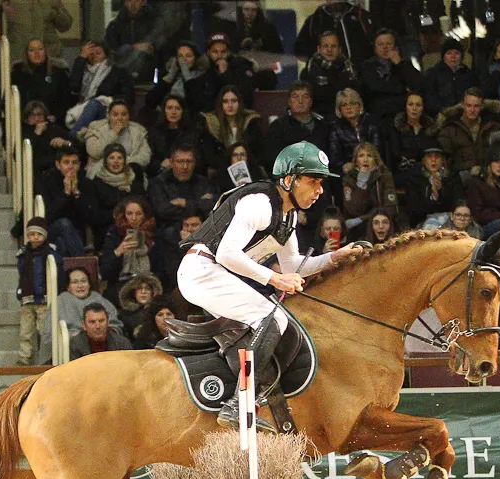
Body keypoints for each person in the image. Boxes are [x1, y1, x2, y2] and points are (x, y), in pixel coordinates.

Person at [176, 141, 364, 424]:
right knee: (273, 318)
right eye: (313, 181)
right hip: (202, 270)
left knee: (267, 325)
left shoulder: (286, 215)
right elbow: (227, 254)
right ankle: (239, 403)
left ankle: (248, 398)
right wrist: (275, 278)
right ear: (288, 180)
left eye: (321, 182)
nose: (320, 190)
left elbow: (294, 266)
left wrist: (335, 257)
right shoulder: (260, 204)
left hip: (215, 273)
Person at [39, 267, 122, 363]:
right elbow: (49, 336)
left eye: (84, 281)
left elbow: (116, 327)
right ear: (68, 286)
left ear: (89, 284)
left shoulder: (101, 301)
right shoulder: (59, 303)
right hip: (70, 354)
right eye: (75, 282)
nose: (80, 285)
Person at [148, 145, 217, 249]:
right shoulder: (158, 183)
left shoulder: (204, 182)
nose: (185, 166)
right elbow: (161, 211)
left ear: (195, 163)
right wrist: (198, 204)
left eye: (189, 162)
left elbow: (212, 207)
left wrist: (184, 203)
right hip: (169, 237)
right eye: (180, 161)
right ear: (171, 162)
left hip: (201, 233)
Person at [436, 89, 500, 181]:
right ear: (462, 105)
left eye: (476, 106)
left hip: (489, 178)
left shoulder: (493, 128)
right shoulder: (450, 129)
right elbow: (445, 163)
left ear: (482, 106)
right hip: (460, 180)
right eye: (468, 105)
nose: (472, 110)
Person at [65, 40, 136, 132]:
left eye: (98, 52)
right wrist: (81, 59)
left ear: (106, 54)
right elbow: (73, 86)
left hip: (107, 109)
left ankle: (72, 138)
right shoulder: (82, 70)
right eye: (91, 53)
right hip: (81, 108)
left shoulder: (117, 71)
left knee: (94, 104)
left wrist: (108, 100)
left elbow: (128, 95)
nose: (94, 54)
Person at [35, 146, 93, 256]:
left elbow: (88, 216)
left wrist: (76, 192)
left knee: (61, 244)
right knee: (64, 223)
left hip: (75, 232)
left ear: (79, 165)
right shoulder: (46, 182)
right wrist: (65, 193)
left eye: (74, 163)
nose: (71, 167)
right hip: (51, 229)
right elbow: (49, 215)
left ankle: (72, 271)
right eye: (66, 162)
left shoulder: (86, 183)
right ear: (58, 165)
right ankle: (82, 264)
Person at [358, 29, 423, 124]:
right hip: (377, 115)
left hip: (401, 114)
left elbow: (418, 84)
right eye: (380, 44)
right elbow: (373, 87)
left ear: (396, 47)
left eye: (389, 43)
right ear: (375, 48)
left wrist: (400, 63)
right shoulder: (367, 66)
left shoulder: (404, 65)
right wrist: (398, 89)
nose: (385, 47)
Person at [100, 195, 159, 299]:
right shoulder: (113, 234)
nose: (134, 218)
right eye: (129, 213)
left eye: (138, 214)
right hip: (122, 283)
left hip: (150, 282)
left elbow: (161, 267)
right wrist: (118, 251)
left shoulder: (155, 233)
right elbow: (106, 273)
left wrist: (149, 248)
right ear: (123, 215)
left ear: (145, 215)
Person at [14, 217, 55, 366]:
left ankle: (47, 357)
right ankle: (24, 358)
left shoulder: (50, 254)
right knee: (25, 331)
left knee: (44, 331)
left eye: (39, 234)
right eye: (32, 234)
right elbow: (22, 274)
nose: (35, 237)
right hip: (27, 298)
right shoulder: (23, 254)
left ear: (45, 235)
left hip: (43, 298)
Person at [260, 83, 327, 174]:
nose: (300, 101)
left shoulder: (322, 125)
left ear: (311, 101)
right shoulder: (278, 126)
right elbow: (271, 158)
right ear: (289, 102)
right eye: (295, 96)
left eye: (305, 96)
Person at [340, 142, 398, 240]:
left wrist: (364, 218)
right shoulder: (349, 179)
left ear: (375, 159)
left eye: (369, 156)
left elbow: (390, 208)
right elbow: (354, 210)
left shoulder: (384, 175)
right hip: (357, 224)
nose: (365, 160)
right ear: (356, 160)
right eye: (361, 156)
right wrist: (361, 181)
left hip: (381, 219)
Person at [87, 142, 144, 240]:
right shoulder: (96, 184)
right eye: (112, 158)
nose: (116, 161)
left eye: (120, 158)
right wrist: (118, 215)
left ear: (124, 161)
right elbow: (94, 217)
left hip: (134, 228)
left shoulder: (134, 182)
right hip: (107, 231)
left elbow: (145, 208)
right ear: (106, 161)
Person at [82, 100, 150, 178]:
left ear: (128, 116)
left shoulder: (138, 131)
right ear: (108, 116)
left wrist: (122, 162)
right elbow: (94, 153)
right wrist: (113, 133)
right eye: (115, 114)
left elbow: (145, 157)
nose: (120, 118)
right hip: (101, 174)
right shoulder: (96, 128)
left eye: (124, 114)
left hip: (129, 173)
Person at [202, 87, 262, 174]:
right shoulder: (211, 124)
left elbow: (257, 152)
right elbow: (210, 156)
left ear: (239, 103)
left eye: (234, 101)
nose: (230, 105)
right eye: (225, 101)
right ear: (220, 104)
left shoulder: (251, 123)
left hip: (248, 170)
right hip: (221, 172)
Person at [12, 39, 72, 126]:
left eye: (40, 49)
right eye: (32, 50)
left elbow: (65, 101)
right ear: (26, 54)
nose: (37, 53)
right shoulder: (17, 75)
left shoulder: (58, 74)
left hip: (52, 123)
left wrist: (56, 117)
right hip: (25, 124)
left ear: (45, 52)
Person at [0, 0, 72, 67]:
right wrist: (0, 5)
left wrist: (57, 10)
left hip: (49, 55)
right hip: (19, 55)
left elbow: (65, 26)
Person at [147, 43, 215, 117]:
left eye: (188, 56)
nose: (183, 60)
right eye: (180, 56)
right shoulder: (170, 75)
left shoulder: (205, 77)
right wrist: (170, 76)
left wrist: (186, 73)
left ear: (196, 58)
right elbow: (151, 100)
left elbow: (197, 103)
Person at [104, 0, 165, 83]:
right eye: (129, 0)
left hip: (149, 73)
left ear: (144, 2)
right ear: (124, 2)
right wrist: (133, 47)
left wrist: (152, 47)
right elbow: (111, 49)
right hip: (120, 73)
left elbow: (160, 44)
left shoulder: (155, 22)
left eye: (137, 0)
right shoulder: (114, 25)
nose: (133, 4)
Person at [301, 32, 358, 120]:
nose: (329, 50)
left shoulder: (349, 69)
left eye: (333, 46)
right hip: (318, 118)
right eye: (325, 46)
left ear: (340, 49)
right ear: (319, 49)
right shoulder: (309, 71)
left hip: (346, 117)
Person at [295, 0, 373, 63]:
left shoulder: (361, 16)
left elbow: (376, 46)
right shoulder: (316, 19)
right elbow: (300, 51)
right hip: (324, 75)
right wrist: (317, 59)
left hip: (359, 77)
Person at [147, 96, 205, 178]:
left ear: (183, 111)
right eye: (169, 108)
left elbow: (199, 160)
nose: (173, 112)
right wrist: (160, 164)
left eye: (178, 108)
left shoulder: (192, 133)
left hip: (187, 173)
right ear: (164, 111)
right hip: (161, 175)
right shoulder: (154, 132)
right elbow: (149, 161)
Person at [385, 92, 439, 180]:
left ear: (423, 109)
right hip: (403, 172)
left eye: (418, 105)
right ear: (405, 108)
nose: (414, 108)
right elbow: (396, 154)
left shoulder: (430, 130)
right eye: (410, 104)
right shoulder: (396, 129)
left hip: (426, 171)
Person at [402, 147, 458, 230]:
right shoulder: (414, 179)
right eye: (429, 156)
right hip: (421, 222)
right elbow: (414, 210)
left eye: (437, 156)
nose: (433, 160)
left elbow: (456, 203)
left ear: (443, 160)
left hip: (449, 220)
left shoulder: (452, 178)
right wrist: (433, 199)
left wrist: (440, 191)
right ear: (424, 161)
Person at [326, 88, 381, 170]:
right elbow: (335, 159)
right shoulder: (335, 129)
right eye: (344, 105)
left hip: (372, 167)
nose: (349, 107)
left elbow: (377, 150)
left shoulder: (371, 124)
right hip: (349, 170)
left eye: (352, 103)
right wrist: (347, 166)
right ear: (339, 110)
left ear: (360, 106)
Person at [424, 39, 477, 116]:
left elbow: (476, 94)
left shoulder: (469, 74)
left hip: (465, 114)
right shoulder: (432, 74)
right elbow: (429, 97)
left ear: (461, 56)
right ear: (443, 56)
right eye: (449, 53)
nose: (453, 57)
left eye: (457, 53)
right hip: (441, 115)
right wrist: (443, 110)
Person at [205, 35, 261, 107]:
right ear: (208, 53)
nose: (219, 56)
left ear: (228, 52)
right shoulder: (207, 70)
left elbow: (246, 96)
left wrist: (224, 73)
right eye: (215, 52)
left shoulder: (241, 65)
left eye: (223, 52)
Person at [22, 100, 75, 173]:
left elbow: (76, 146)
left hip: (56, 169)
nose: (37, 118)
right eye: (32, 115)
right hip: (34, 171)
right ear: (27, 118)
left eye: (39, 115)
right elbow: (21, 154)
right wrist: (36, 134)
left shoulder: (55, 129)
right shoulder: (23, 132)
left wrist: (66, 143)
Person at [212, 1, 283, 54]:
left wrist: (262, 45)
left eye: (253, 10)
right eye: (246, 9)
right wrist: (241, 46)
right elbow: (225, 51)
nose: (250, 13)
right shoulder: (230, 27)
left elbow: (278, 52)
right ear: (240, 10)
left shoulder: (268, 28)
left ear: (258, 11)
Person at [117, 271, 163, 340]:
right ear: (133, 292)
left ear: (153, 292)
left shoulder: (160, 312)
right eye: (139, 288)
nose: (143, 292)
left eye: (147, 288)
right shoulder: (124, 315)